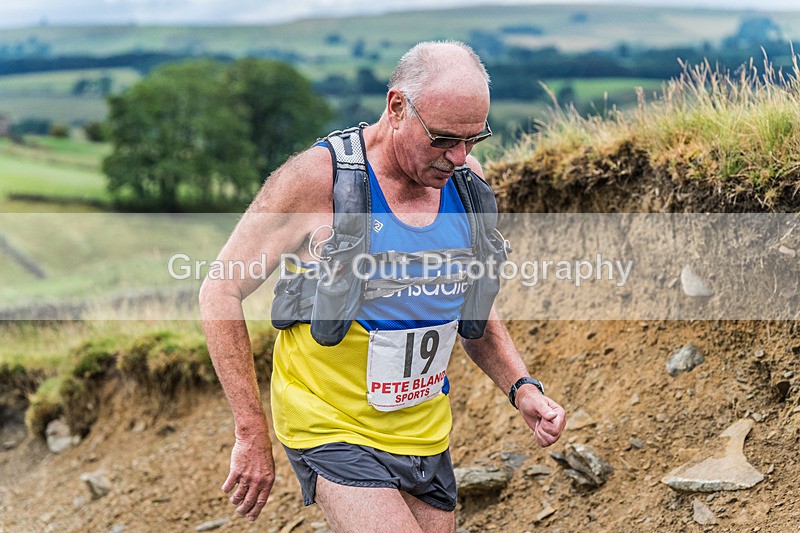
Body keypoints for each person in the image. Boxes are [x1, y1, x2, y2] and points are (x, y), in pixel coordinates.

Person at [199, 41, 566, 532]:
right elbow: (219, 291)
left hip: (423, 431)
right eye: (443, 139)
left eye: (473, 139)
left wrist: (521, 387)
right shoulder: (319, 180)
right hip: (330, 424)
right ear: (396, 107)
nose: (459, 156)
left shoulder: (466, 185)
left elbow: (470, 309)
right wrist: (249, 431)